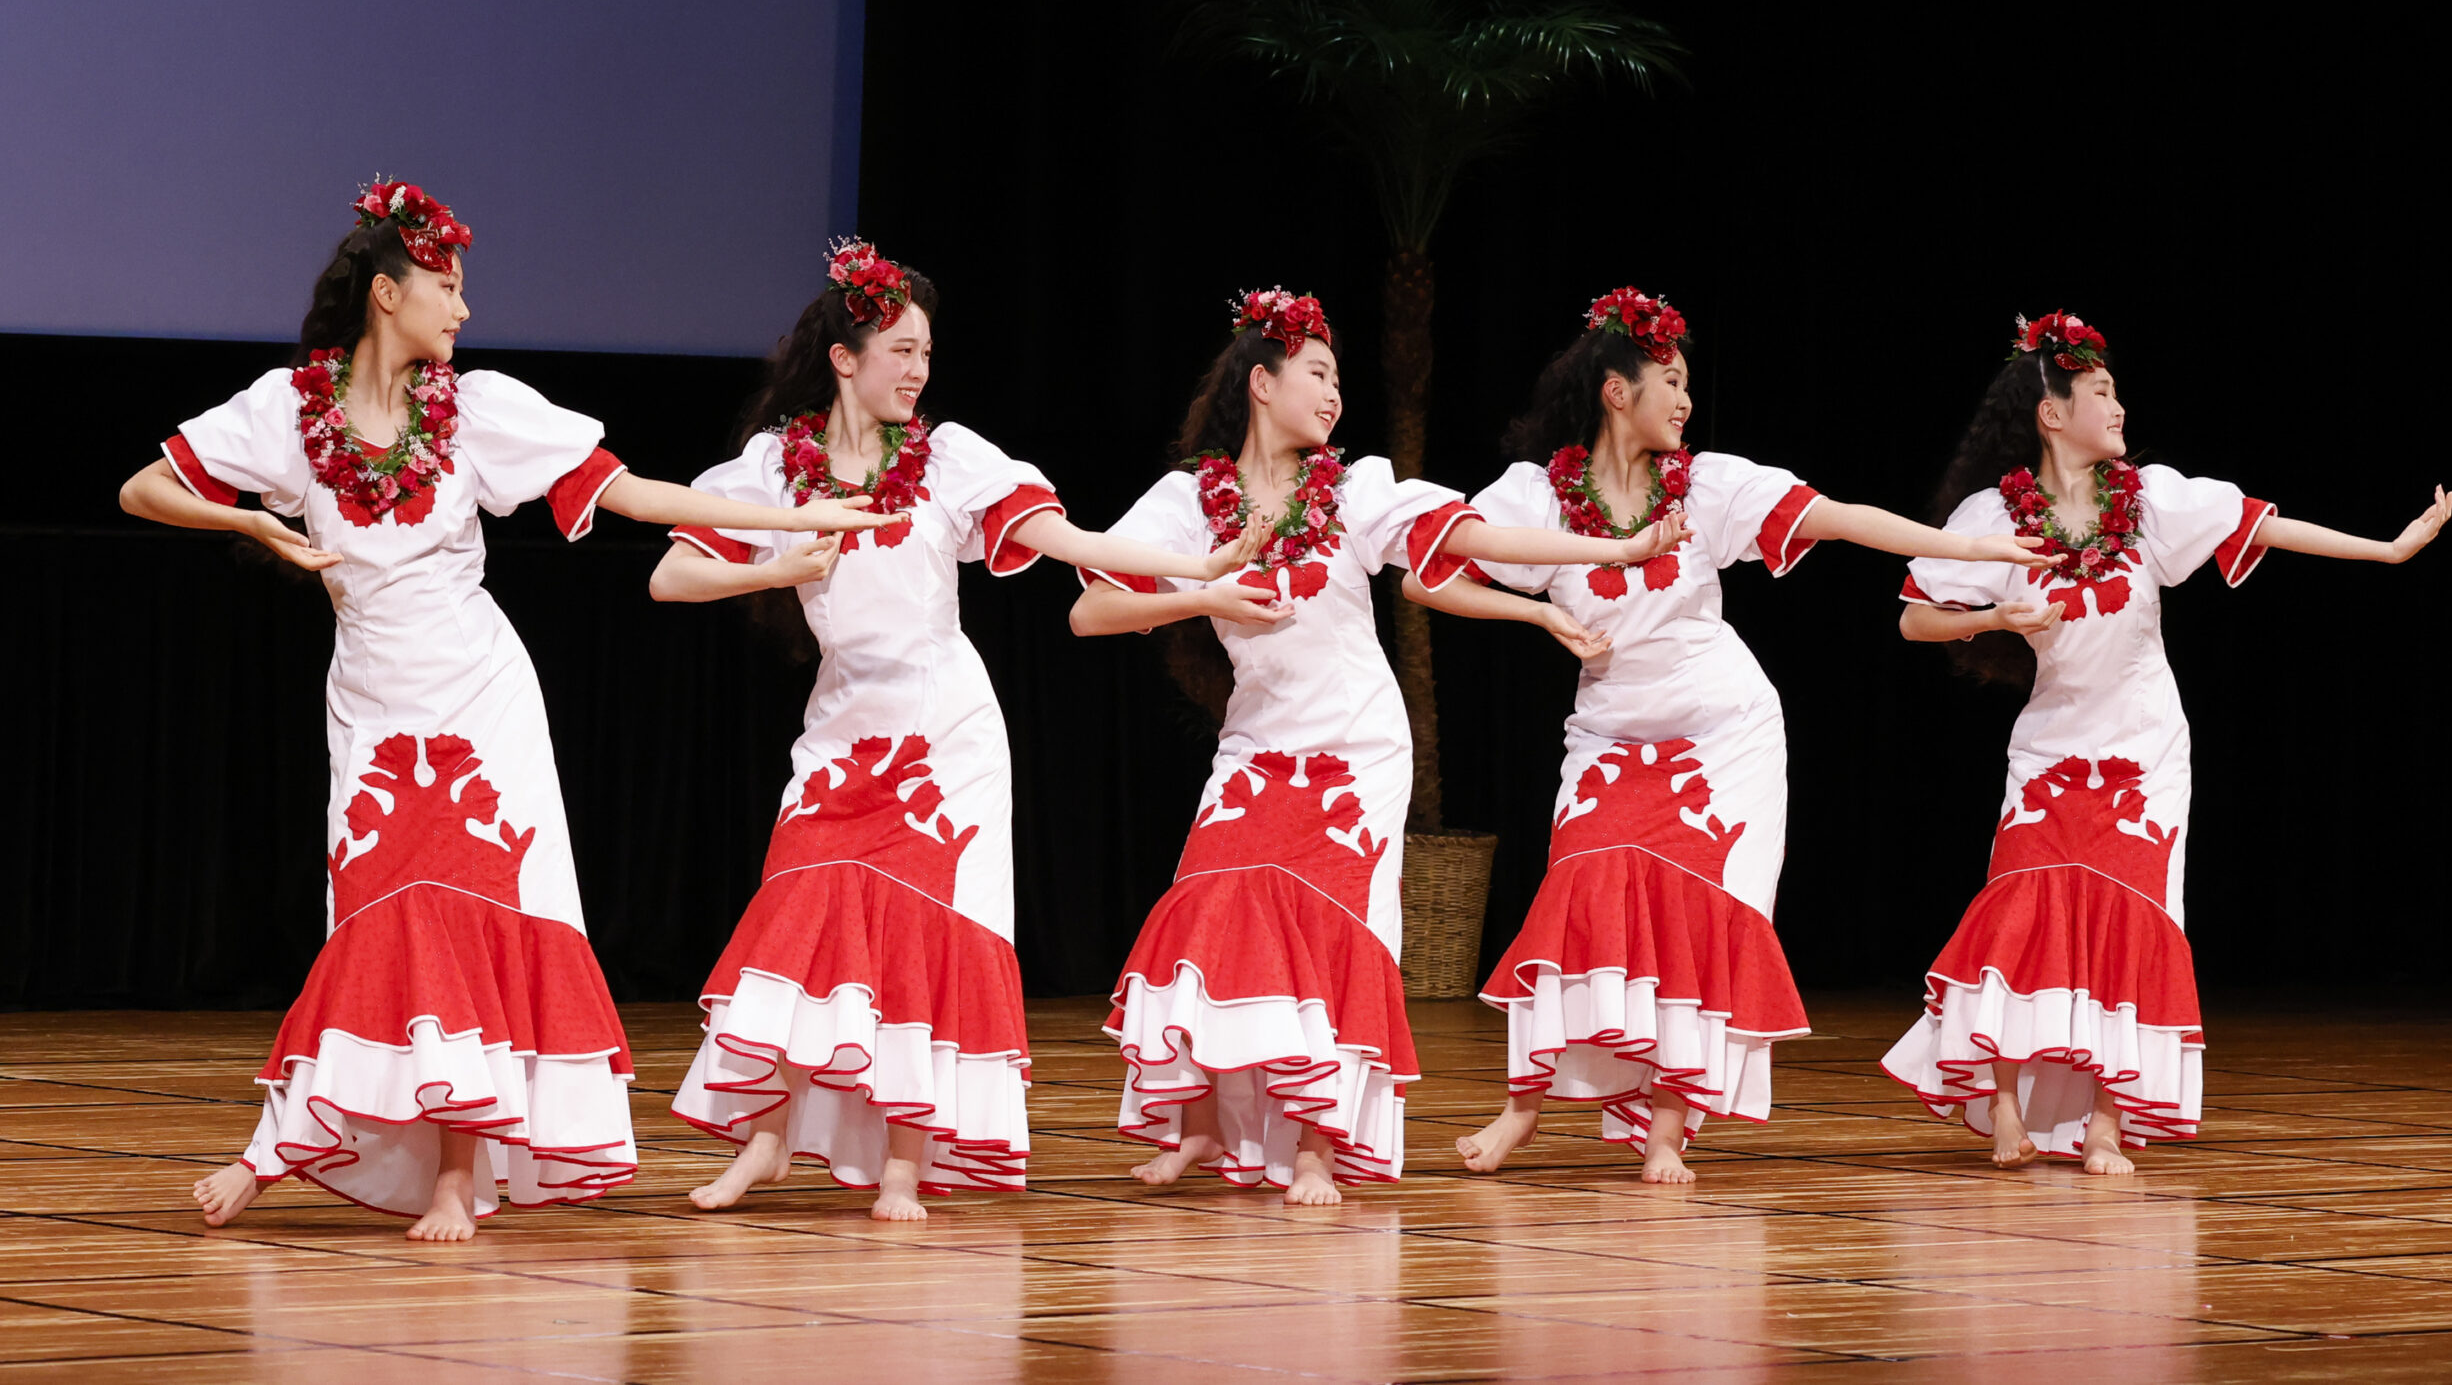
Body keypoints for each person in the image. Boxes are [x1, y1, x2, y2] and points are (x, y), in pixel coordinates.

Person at [118, 181, 893, 1241]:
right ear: (388, 294)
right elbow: (144, 490)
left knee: (477, 912)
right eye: (447, 287)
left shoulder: (476, 411)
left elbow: (631, 493)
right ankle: (281, 1146)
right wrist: (256, 526)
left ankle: (454, 1175)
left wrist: (780, 512)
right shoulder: (288, 414)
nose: (464, 310)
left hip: (481, 694)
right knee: (378, 924)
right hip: (375, 703)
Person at [652, 240, 1270, 1221]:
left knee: (919, 937)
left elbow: (1067, 542)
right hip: (844, 729)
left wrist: (1195, 574)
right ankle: (767, 1141)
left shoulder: (950, 459)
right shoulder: (775, 470)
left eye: (927, 353)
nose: (917, 369)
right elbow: (670, 576)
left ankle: (904, 1161)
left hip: (946, 738)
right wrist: (776, 569)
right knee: (800, 910)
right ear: (844, 359)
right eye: (899, 349)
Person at [1402, 288, 2050, 1180]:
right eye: (1670, 380)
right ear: (1615, 391)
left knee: (1697, 918)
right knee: (1579, 895)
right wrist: (1540, 621)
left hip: (1721, 730)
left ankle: (1668, 1126)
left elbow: (1840, 516)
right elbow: (1429, 576)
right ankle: (1524, 1110)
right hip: (1610, 730)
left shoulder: (1705, 485)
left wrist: (1968, 550)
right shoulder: (1538, 495)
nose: (1686, 400)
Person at [1067, 288, 1693, 1204]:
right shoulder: (1186, 502)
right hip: (1258, 742)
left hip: (1357, 745)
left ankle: (1319, 1145)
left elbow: (1470, 533)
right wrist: (1203, 594)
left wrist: (1614, 547)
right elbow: (1092, 609)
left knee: (1331, 926)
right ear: (1260, 382)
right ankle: (1198, 1125)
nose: (1333, 395)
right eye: (1316, 373)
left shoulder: (1356, 489)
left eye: (1337, 379)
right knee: (1209, 896)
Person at [1883, 310, 2452, 1172]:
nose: (2118, 407)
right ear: (2052, 412)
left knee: (2137, 915)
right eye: (2102, 392)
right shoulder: (1997, 515)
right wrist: (1997, 614)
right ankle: (2002, 1104)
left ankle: (2108, 1123)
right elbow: (1913, 618)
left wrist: (2385, 550)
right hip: (2050, 744)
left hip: (2145, 745)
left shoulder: (2148, 502)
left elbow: (2263, 526)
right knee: (2022, 906)